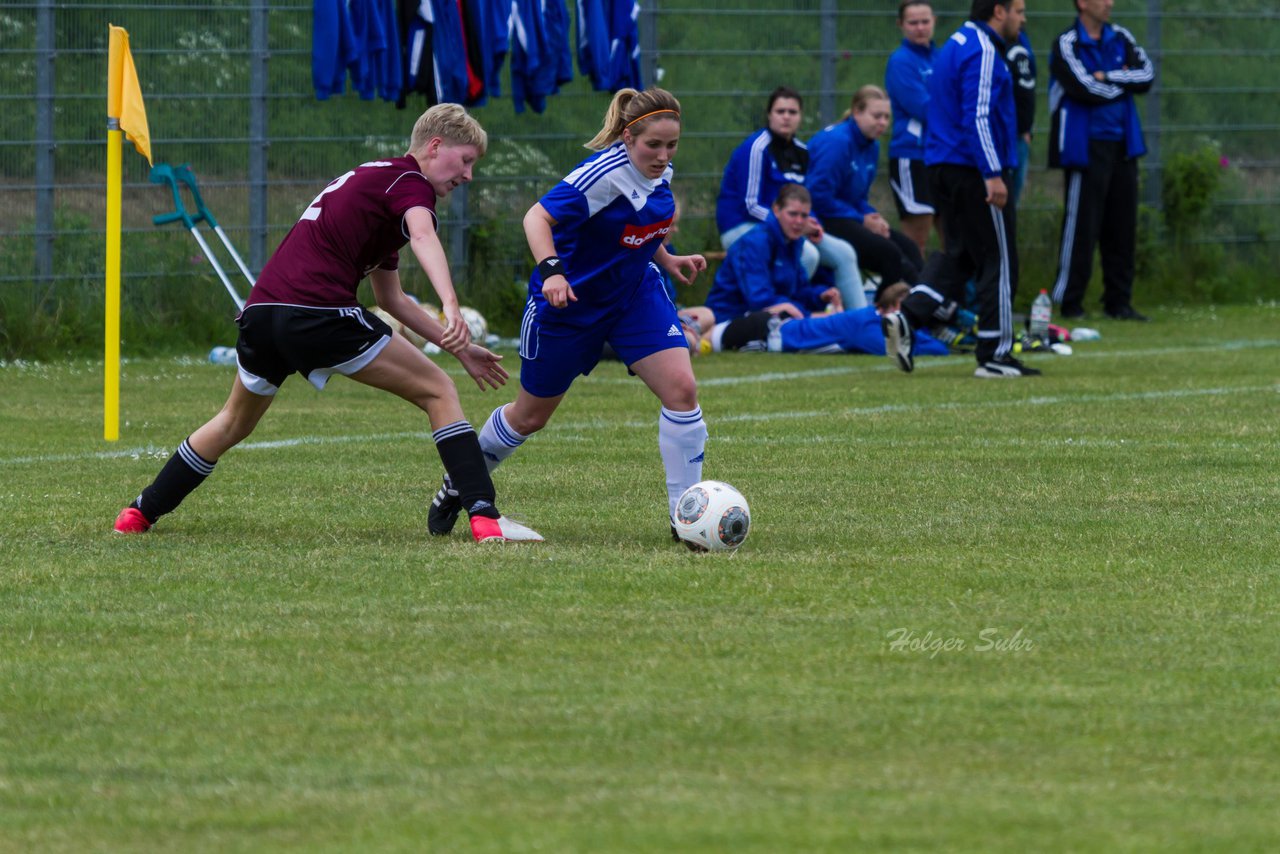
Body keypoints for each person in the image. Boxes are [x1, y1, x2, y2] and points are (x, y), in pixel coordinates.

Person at [113, 104, 543, 542]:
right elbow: (424, 234)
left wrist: (459, 348)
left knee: (231, 423)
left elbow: (388, 297)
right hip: (316, 312)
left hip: (262, 313)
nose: (468, 175)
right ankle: (486, 517)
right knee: (440, 390)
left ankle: (139, 512)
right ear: (435, 147)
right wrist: (451, 304)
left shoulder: (376, 184)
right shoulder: (410, 182)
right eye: (466, 160)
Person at [424, 87, 711, 541]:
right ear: (627, 136)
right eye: (652, 145)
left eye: (671, 145)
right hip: (567, 306)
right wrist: (553, 273)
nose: (662, 155)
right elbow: (535, 219)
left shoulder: (660, 172)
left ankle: (687, 516)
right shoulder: (601, 174)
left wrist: (668, 259)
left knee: (682, 389)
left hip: (633, 295)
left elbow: (634, 225)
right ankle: (458, 482)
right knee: (529, 417)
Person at [885, 0, 1038, 378]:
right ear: (998, 11)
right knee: (998, 258)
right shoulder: (982, 48)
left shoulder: (954, 42)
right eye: (1018, 10)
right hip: (970, 167)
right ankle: (995, 353)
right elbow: (978, 115)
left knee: (962, 255)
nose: (1023, 18)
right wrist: (992, 172)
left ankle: (911, 314)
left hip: (942, 164)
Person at [1048, 0, 1155, 321]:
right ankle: (1070, 301)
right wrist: (1122, 84)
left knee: (1122, 226)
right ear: (1082, 3)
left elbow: (1147, 76)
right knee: (1082, 225)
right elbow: (1083, 87)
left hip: (1123, 144)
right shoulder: (1067, 43)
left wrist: (1108, 75)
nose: (1109, 3)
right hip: (1085, 147)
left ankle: (1118, 302)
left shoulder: (1121, 36)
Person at [715, 86, 865, 309]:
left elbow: (802, 198)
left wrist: (810, 222)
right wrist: (793, 223)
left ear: (800, 117)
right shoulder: (756, 147)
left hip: (789, 225)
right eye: (780, 111)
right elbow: (750, 205)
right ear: (769, 115)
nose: (786, 117)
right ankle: (784, 317)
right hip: (743, 226)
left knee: (844, 253)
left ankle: (859, 322)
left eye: (792, 112)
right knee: (808, 255)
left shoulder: (802, 152)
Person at [808, 84, 924, 297]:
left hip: (845, 215)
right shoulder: (838, 143)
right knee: (889, 255)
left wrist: (873, 217)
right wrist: (862, 220)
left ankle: (917, 309)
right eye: (876, 116)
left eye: (886, 117)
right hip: (822, 218)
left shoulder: (872, 145)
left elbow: (857, 197)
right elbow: (817, 197)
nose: (882, 123)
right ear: (857, 113)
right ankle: (883, 315)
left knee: (909, 248)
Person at [705, 183, 843, 321]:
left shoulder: (793, 242)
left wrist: (821, 296)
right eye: (793, 214)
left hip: (766, 319)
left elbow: (798, 291)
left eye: (804, 215)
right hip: (728, 319)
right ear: (776, 210)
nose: (799, 221)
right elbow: (759, 300)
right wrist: (809, 316)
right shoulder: (756, 243)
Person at [705, 283, 949, 358]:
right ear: (895, 307)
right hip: (762, 333)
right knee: (692, 345)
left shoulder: (865, 318)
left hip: (770, 326)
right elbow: (920, 349)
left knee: (696, 341)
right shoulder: (866, 326)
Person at [885, 0, 941, 257]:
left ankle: (945, 295)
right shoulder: (901, 61)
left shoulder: (940, 57)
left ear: (934, 21)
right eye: (913, 23)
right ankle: (907, 294)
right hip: (912, 156)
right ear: (901, 25)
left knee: (951, 236)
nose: (920, 28)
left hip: (940, 154)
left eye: (925, 21)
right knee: (916, 240)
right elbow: (925, 108)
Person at [1006, 25, 1037, 206]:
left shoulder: (1022, 42)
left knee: (1011, 205)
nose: (1022, 18)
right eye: (1018, 12)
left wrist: (1027, 129)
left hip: (1021, 136)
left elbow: (1028, 88)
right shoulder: (988, 45)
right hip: (1002, 139)